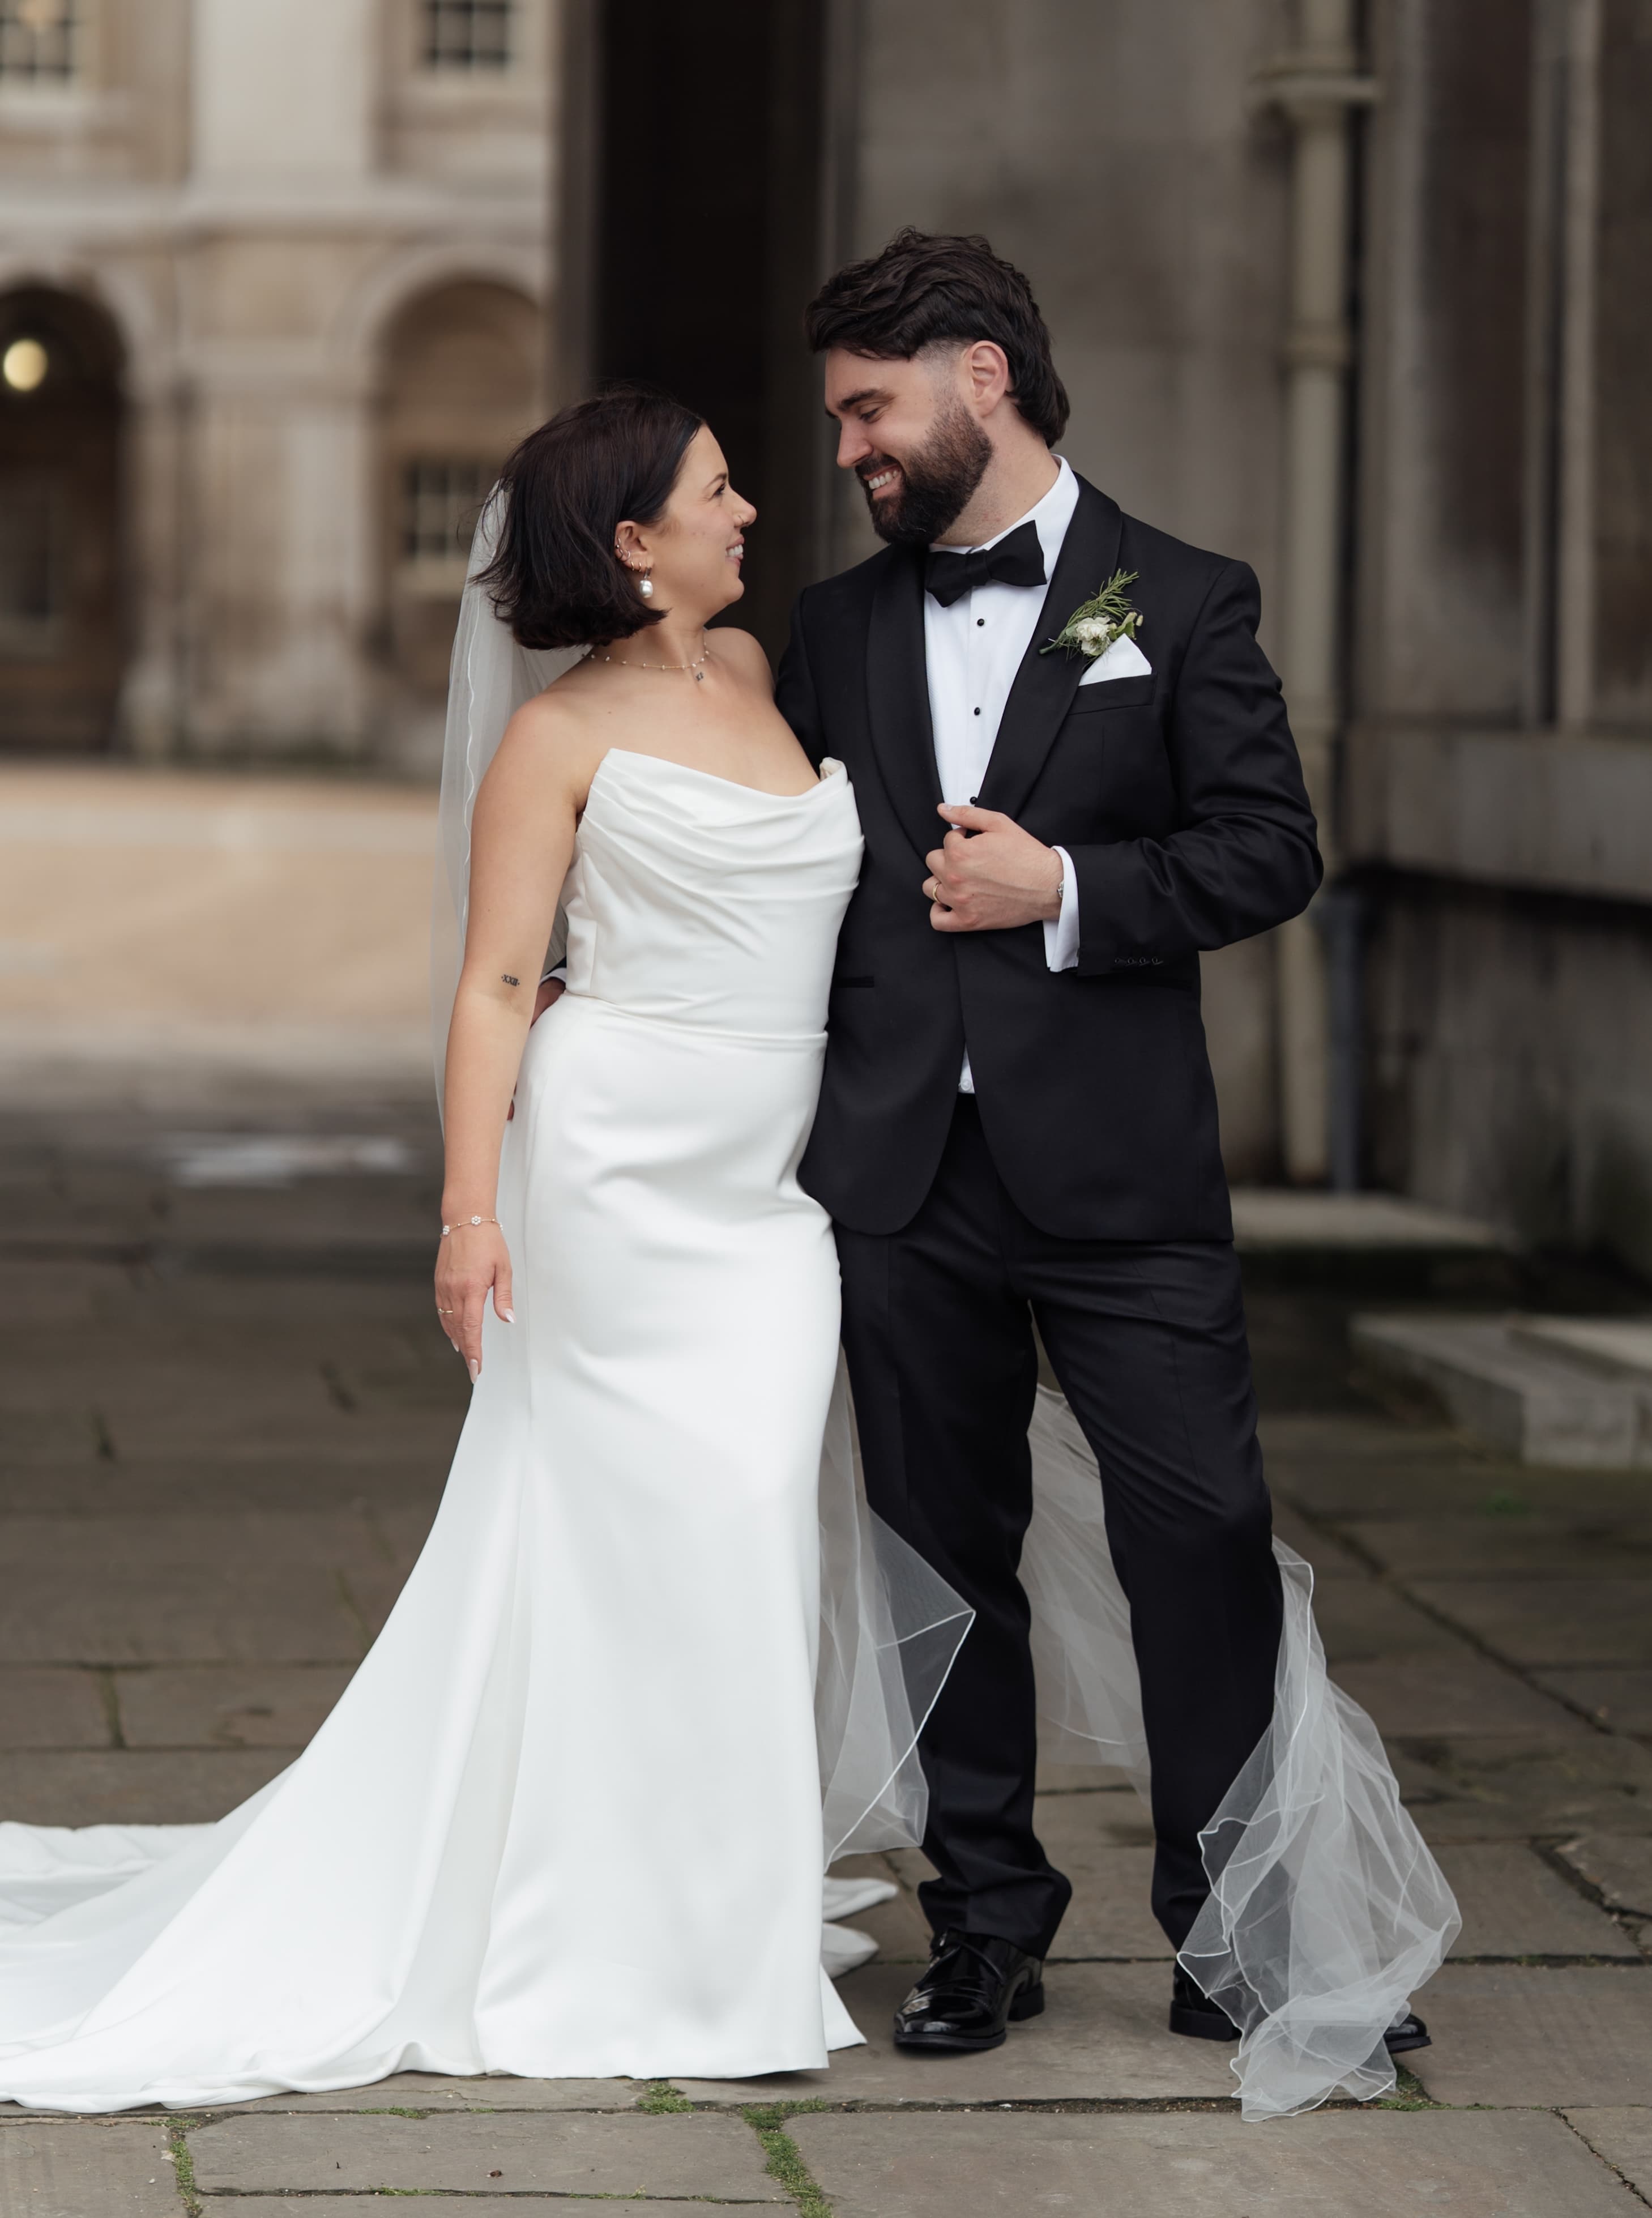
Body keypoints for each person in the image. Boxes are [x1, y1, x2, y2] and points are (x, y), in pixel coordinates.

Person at [0, 386, 964, 2109]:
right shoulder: (555, 743)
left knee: (751, 1530)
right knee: (629, 1537)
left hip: (767, 1199)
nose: (753, 514)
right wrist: (465, 1214)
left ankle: (712, 1909)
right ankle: (616, 1935)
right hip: (609, 1178)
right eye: (719, 494)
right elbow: (497, 982)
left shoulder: (754, 678)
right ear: (632, 543)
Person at [775, 228, 1454, 2081]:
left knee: (1205, 1538)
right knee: (939, 1550)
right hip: (901, 1172)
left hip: (1128, 1180)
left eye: (870, 409)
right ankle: (983, 1915)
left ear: (981, 373)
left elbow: (1269, 848)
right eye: (842, 420)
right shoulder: (829, 635)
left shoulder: (1190, 596)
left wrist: (1064, 885)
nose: (851, 450)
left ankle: (1236, 1932)